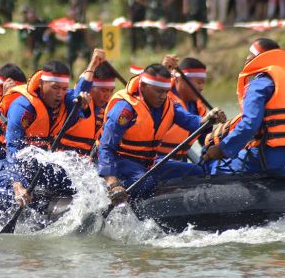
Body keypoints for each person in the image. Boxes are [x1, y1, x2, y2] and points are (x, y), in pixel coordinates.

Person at [0, 51, 105, 233]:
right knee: (20, 193)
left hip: (35, 160)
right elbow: (13, 148)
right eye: (55, 88)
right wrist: (17, 184)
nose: (60, 94)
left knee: (77, 181)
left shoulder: (64, 99)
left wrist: (93, 66)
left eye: (64, 89)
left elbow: (80, 92)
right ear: (41, 84)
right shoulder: (23, 106)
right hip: (0, 159)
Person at [97, 64, 224, 204]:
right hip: (122, 163)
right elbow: (106, 147)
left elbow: (191, 120)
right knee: (146, 183)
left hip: (149, 164)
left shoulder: (169, 105)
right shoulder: (125, 109)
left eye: (166, 91)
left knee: (196, 172)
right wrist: (113, 182)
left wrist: (209, 119)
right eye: (158, 91)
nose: (163, 96)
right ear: (144, 86)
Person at [204, 38, 285, 176]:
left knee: (214, 166)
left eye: (251, 53)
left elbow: (249, 124)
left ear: (258, 58)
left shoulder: (259, 85)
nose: (247, 57)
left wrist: (222, 149)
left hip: (267, 160)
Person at [56, 62, 116, 156]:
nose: (108, 96)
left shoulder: (110, 108)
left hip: (86, 163)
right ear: (90, 88)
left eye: (111, 91)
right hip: (61, 159)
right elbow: (78, 95)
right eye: (103, 90)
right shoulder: (69, 97)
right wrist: (93, 63)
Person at [161, 56, 209, 162]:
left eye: (203, 83)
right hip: (154, 161)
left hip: (181, 160)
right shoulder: (161, 97)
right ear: (180, 79)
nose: (202, 87)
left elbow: (206, 140)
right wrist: (162, 72)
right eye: (199, 82)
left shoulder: (199, 107)